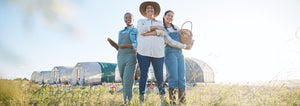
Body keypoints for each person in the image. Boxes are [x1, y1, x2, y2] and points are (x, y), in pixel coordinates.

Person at [163, 10, 193, 105]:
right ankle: (173, 102)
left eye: (172, 16)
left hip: (180, 54)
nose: (170, 17)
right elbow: (171, 42)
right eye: (168, 15)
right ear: (164, 16)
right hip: (170, 53)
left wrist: (187, 33)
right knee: (174, 77)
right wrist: (185, 46)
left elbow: (183, 35)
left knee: (182, 78)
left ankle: (182, 102)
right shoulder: (162, 28)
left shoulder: (175, 27)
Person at [117, 12, 137, 104]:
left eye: (130, 17)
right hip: (121, 55)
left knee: (128, 78)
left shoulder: (136, 30)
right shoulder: (120, 32)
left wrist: (127, 45)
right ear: (124, 19)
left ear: (133, 19)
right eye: (126, 17)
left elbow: (138, 44)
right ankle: (126, 98)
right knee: (122, 77)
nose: (128, 19)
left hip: (130, 55)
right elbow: (119, 45)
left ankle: (127, 102)